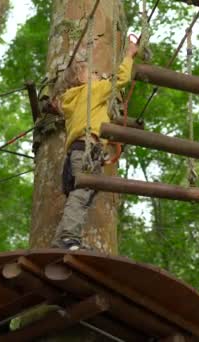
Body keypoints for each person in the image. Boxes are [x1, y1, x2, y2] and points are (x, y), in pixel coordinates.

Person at [52, 39, 138, 250]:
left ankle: (58, 240)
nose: (99, 76)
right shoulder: (91, 92)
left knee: (82, 195)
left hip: (78, 152)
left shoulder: (71, 101)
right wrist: (129, 55)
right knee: (82, 194)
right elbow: (121, 78)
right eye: (93, 73)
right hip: (86, 151)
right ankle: (68, 238)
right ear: (81, 79)